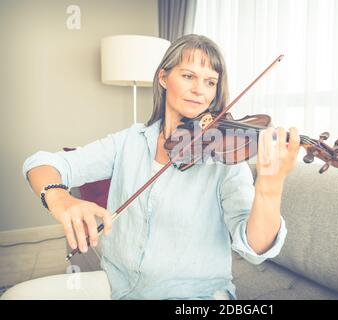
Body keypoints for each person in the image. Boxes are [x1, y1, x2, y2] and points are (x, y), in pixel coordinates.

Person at [2, 34, 300, 300]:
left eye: (210, 81)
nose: (200, 90)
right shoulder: (129, 141)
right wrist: (60, 198)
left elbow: (255, 248)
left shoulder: (223, 158)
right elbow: (43, 163)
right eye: (188, 76)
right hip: (119, 287)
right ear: (163, 77)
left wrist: (269, 189)